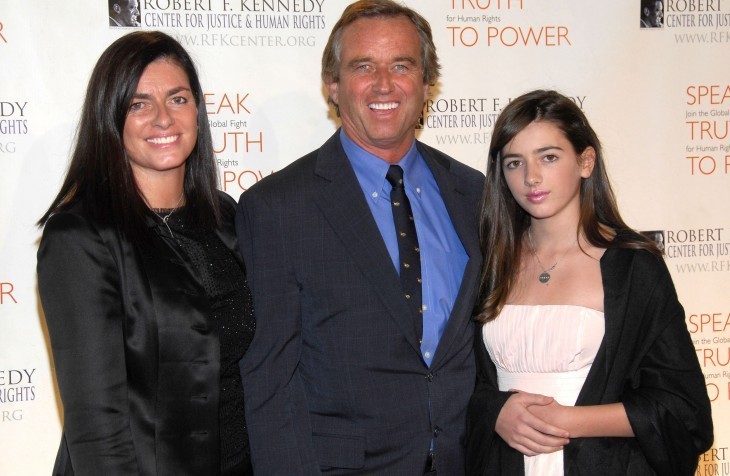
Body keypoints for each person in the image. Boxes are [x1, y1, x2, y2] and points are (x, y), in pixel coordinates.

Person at [236, 0, 484, 473]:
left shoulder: (472, 193)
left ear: (427, 83)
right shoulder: (278, 208)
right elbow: (269, 381)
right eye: (363, 66)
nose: (384, 84)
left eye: (402, 66)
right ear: (333, 84)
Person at [37, 31, 254, 475]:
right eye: (138, 104)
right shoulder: (81, 236)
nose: (162, 119)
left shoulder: (225, 218)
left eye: (177, 99)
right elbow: (97, 426)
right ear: (110, 117)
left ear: (197, 110)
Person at [465, 90, 713, 475]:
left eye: (549, 157)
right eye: (515, 163)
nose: (531, 177)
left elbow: (682, 407)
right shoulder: (488, 262)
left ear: (585, 161)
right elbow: (461, 383)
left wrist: (564, 420)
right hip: (502, 463)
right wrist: (495, 411)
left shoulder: (634, 268)